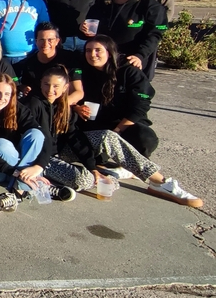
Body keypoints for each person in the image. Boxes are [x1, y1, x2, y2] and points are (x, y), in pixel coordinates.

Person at [30, 66, 203, 207]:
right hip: (42, 158)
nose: (50, 90)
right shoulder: (34, 104)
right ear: (40, 83)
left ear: (66, 88)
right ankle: (110, 176)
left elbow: (75, 137)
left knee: (108, 136)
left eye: (55, 86)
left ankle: (161, 183)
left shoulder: (65, 107)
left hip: (62, 150)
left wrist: (93, 167)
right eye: (46, 84)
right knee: (83, 179)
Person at [0, 74, 62, 213]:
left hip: (13, 166)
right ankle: (34, 183)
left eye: (7, 94)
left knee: (36, 134)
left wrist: (39, 166)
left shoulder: (18, 109)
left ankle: (17, 192)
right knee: (2, 144)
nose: (1, 98)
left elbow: (44, 137)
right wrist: (16, 172)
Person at [75, 35, 159, 158]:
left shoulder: (128, 71)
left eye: (98, 50)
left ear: (109, 52)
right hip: (97, 121)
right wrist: (77, 108)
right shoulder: (82, 71)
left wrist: (116, 132)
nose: (92, 54)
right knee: (89, 150)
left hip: (124, 123)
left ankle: (136, 161)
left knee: (145, 138)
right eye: (88, 50)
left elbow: (140, 105)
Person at [83, 0, 166, 79]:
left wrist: (140, 56)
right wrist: (84, 31)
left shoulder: (150, 6)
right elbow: (91, 33)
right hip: (103, 64)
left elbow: (154, 35)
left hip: (132, 63)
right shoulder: (101, 6)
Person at [13, 22, 84, 103]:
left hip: (64, 103)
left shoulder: (70, 59)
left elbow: (78, 92)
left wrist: (60, 106)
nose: (46, 44)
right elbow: (25, 85)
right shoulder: (29, 62)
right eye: (41, 40)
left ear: (57, 41)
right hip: (39, 105)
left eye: (50, 40)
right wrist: (24, 88)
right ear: (36, 41)